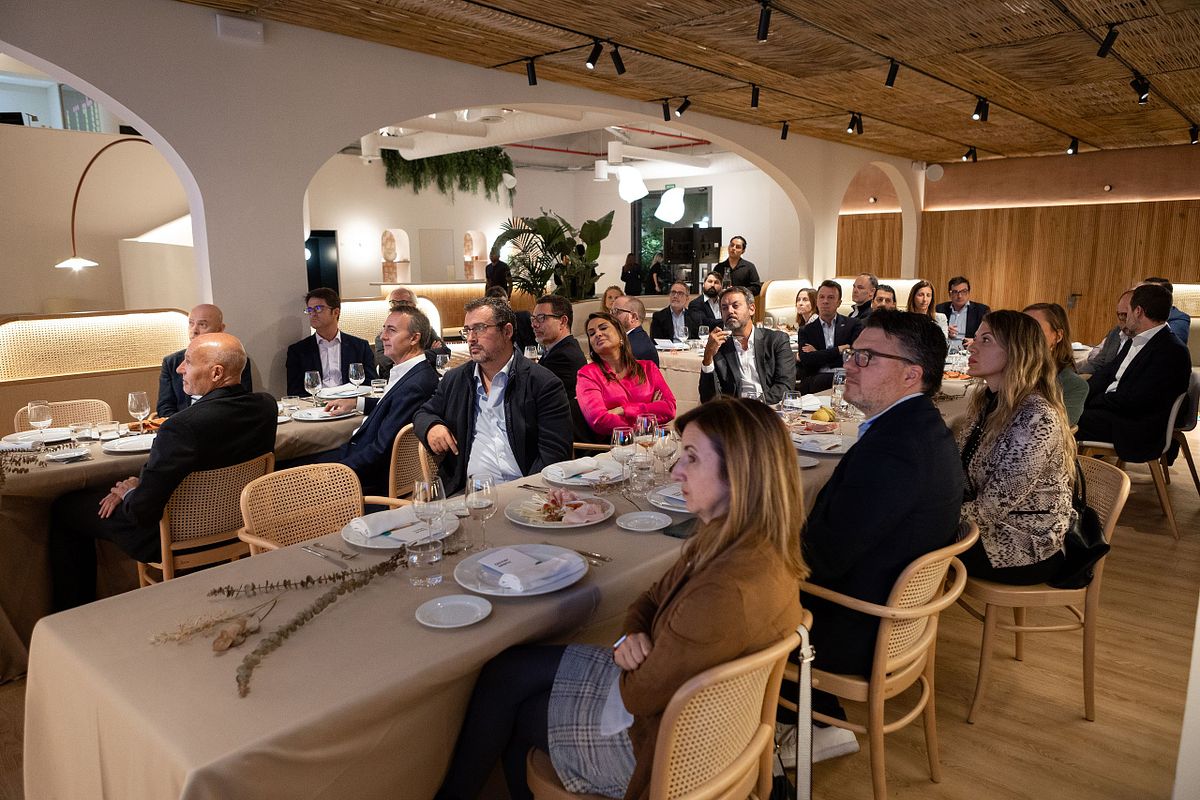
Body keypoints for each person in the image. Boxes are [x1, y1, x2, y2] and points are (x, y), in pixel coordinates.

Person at [434, 397, 806, 800]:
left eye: (692, 458)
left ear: (740, 473)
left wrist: (633, 653)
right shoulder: (742, 543)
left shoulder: (725, 591)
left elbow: (638, 695)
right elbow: (649, 599)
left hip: (661, 750)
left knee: (521, 712)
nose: (676, 471)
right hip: (692, 718)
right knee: (508, 670)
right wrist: (632, 636)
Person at [797, 310, 962, 760]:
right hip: (891, 614)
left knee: (723, 603)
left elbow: (821, 559)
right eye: (853, 353)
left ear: (912, 374)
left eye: (866, 357)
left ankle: (780, 733)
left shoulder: (895, 451)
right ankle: (814, 719)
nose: (849, 365)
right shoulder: (919, 428)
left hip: (856, 626)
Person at [49, 333, 277, 610]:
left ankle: (72, 614)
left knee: (64, 507)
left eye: (188, 362)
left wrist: (129, 491)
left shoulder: (180, 427)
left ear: (216, 373)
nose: (179, 369)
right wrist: (142, 483)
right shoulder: (266, 407)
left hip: (171, 537)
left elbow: (141, 512)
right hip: (237, 527)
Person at [957, 311, 1076, 584]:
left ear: (1017, 352)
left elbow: (990, 509)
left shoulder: (1036, 417)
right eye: (975, 338)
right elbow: (960, 471)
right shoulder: (988, 401)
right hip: (988, 524)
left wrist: (926, 513)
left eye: (986, 340)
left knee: (911, 541)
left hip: (1026, 542)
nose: (972, 347)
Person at [412, 297, 572, 496]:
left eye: (480, 329)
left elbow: (554, 455)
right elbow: (423, 413)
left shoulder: (543, 384)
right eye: (467, 330)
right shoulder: (456, 380)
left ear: (507, 331)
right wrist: (432, 426)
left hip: (527, 492)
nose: (471, 338)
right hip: (468, 493)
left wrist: (524, 494)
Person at [285, 303, 440, 495]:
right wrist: (356, 403)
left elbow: (380, 450)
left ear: (414, 338)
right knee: (290, 464)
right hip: (358, 453)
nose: (383, 336)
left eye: (391, 330)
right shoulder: (412, 373)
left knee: (284, 477)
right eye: (384, 329)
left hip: (366, 477)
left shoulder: (416, 384)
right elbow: (392, 404)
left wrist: (335, 472)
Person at [1075, 284, 1191, 462]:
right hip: (1116, 411)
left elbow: (1136, 400)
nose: (1124, 319)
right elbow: (1106, 374)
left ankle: (1068, 474)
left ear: (1138, 311)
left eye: (1127, 312)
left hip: (1135, 427)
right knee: (1063, 412)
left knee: (1060, 421)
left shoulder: (1172, 351)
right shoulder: (1135, 340)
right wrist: (1081, 396)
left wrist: (1091, 403)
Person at [577, 312, 677, 439]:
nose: (598, 334)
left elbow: (669, 409)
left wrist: (623, 410)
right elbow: (599, 421)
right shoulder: (587, 374)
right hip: (614, 445)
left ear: (620, 334)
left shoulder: (648, 368)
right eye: (591, 334)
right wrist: (649, 417)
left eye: (603, 328)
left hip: (653, 443)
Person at [699, 286, 794, 404]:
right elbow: (709, 400)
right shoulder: (719, 347)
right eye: (724, 308)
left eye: (735, 306)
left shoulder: (776, 340)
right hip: (735, 412)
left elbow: (785, 386)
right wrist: (708, 357)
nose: (730, 311)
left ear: (751, 309)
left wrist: (754, 405)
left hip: (768, 409)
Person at [157, 303, 253, 416]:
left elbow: (241, 401)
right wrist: (181, 423)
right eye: (191, 323)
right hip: (182, 422)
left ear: (220, 329)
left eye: (202, 325)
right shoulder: (171, 362)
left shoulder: (234, 359)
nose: (194, 330)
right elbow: (165, 408)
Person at [285, 287, 377, 396]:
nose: (313, 314)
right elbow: (294, 391)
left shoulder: (360, 346)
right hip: (315, 403)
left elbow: (370, 383)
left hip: (350, 400)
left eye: (318, 308)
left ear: (336, 312)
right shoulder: (298, 351)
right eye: (309, 310)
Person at [530, 293, 590, 442]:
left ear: (563, 321)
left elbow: (536, 398)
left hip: (557, 437)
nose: (534, 325)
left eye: (542, 318)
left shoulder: (564, 356)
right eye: (533, 319)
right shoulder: (557, 350)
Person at [1023, 303, 1088, 425]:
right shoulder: (1008, 372)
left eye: (1035, 330)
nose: (1025, 336)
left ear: (1058, 336)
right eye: (1021, 329)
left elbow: (1047, 429)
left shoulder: (1073, 385)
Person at [797, 280, 861, 393]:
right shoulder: (806, 330)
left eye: (831, 297)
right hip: (816, 380)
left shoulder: (853, 325)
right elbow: (807, 360)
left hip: (845, 378)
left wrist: (818, 353)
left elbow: (854, 357)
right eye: (821, 297)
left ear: (839, 303)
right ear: (817, 301)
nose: (825, 301)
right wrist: (838, 350)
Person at [374, 286, 450, 373]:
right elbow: (386, 362)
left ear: (414, 305)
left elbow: (445, 352)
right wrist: (428, 353)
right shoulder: (383, 336)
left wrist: (411, 356)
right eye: (393, 302)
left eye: (403, 302)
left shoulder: (427, 329)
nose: (398, 306)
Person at [935, 276, 990, 348]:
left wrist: (975, 341)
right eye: (955, 292)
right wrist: (944, 331)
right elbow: (933, 333)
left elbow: (989, 334)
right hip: (944, 350)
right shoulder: (940, 309)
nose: (959, 296)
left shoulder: (981, 310)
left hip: (969, 351)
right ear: (950, 294)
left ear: (968, 293)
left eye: (964, 292)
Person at [610, 295, 659, 366]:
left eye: (616, 311)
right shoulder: (630, 339)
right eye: (611, 312)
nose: (611, 316)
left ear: (633, 317)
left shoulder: (636, 347)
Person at [485, 286, 536, 352]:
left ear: (508, 305)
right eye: (495, 307)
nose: (500, 310)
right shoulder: (485, 329)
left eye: (503, 305)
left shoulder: (524, 319)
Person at [1143, 276, 1190, 344]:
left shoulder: (1178, 317)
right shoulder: (1137, 312)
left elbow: (1171, 345)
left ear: (1166, 297)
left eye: (1150, 293)